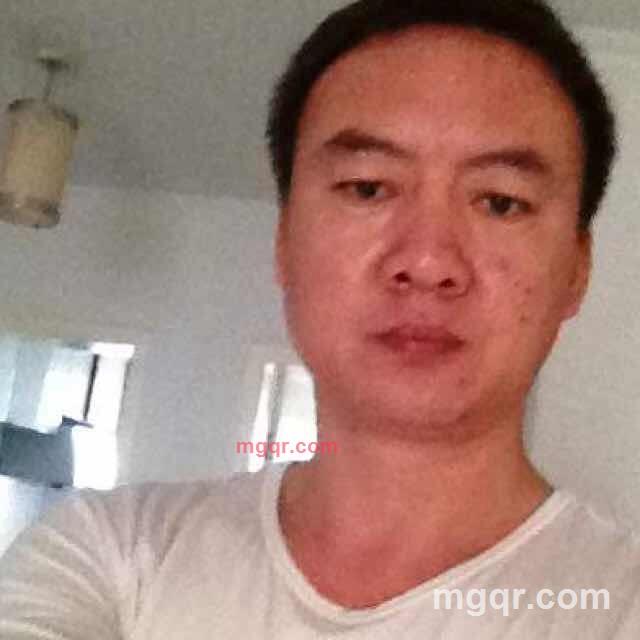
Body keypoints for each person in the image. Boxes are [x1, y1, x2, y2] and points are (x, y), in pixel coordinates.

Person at [0, 0, 637, 637]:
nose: (426, 261)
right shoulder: (110, 553)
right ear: (284, 242)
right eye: (367, 188)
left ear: (576, 270)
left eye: (500, 202)